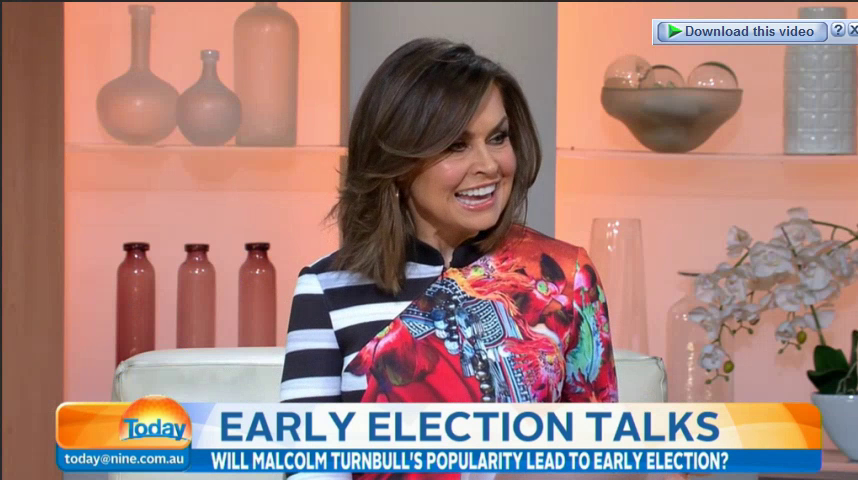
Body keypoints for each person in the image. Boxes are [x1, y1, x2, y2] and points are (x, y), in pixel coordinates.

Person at [279, 37, 618, 478]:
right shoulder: (326, 290)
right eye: (457, 145)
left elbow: (604, 461)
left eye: (498, 138)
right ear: (397, 161)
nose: (489, 165)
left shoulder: (564, 278)